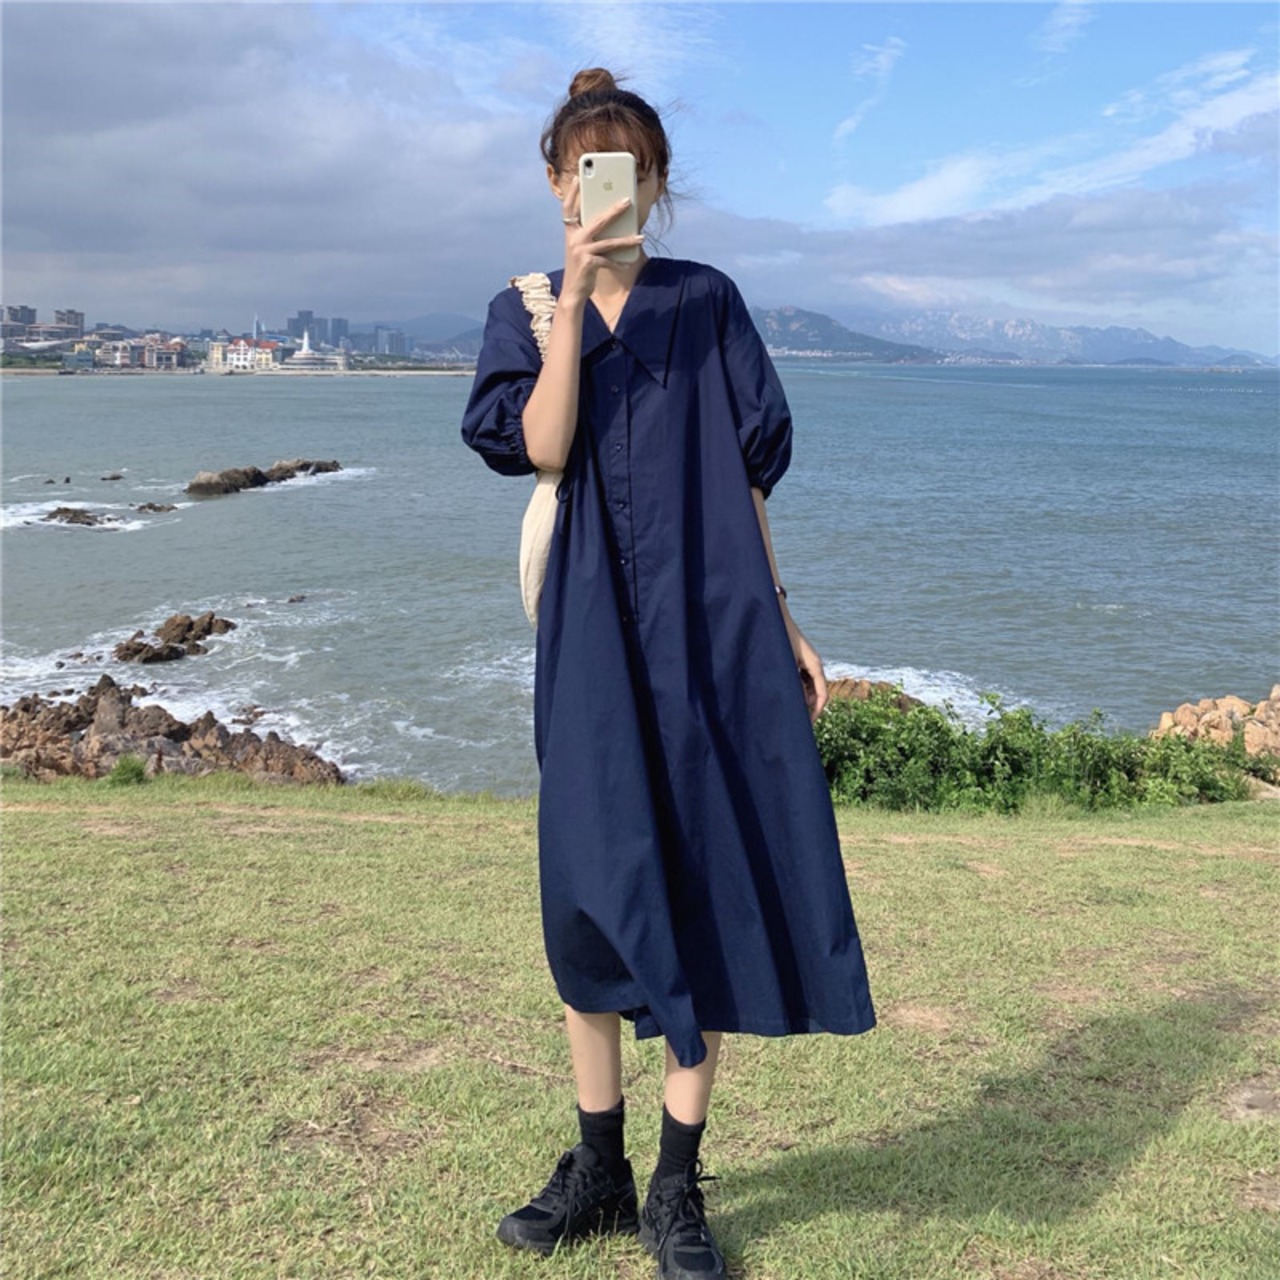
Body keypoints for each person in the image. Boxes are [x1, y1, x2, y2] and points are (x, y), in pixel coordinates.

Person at [461, 68, 875, 1279]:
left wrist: (786, 617)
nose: (600, 191)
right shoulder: (524, 308)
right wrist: (572, 297)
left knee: (703, 879)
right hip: (590, 634)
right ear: (555, 183)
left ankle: (674, 1183)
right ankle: (595, 1163)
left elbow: (746, 472)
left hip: (713, 625)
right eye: (581, 171)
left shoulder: (706, 301)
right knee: (586, 892)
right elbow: (538, 444)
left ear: (653, 185)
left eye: (623, 171)